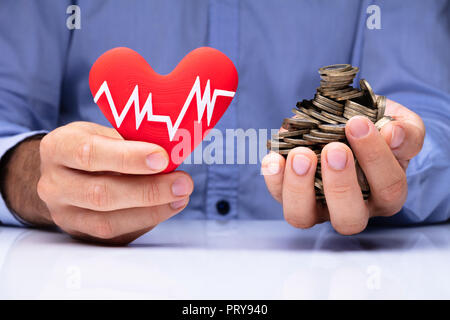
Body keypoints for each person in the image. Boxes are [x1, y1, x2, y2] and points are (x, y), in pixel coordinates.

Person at [0, 0, 448, 245]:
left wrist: (394, 163)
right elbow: (6, 121)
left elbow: (431, 121)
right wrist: (36, 179)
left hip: (329, 274)